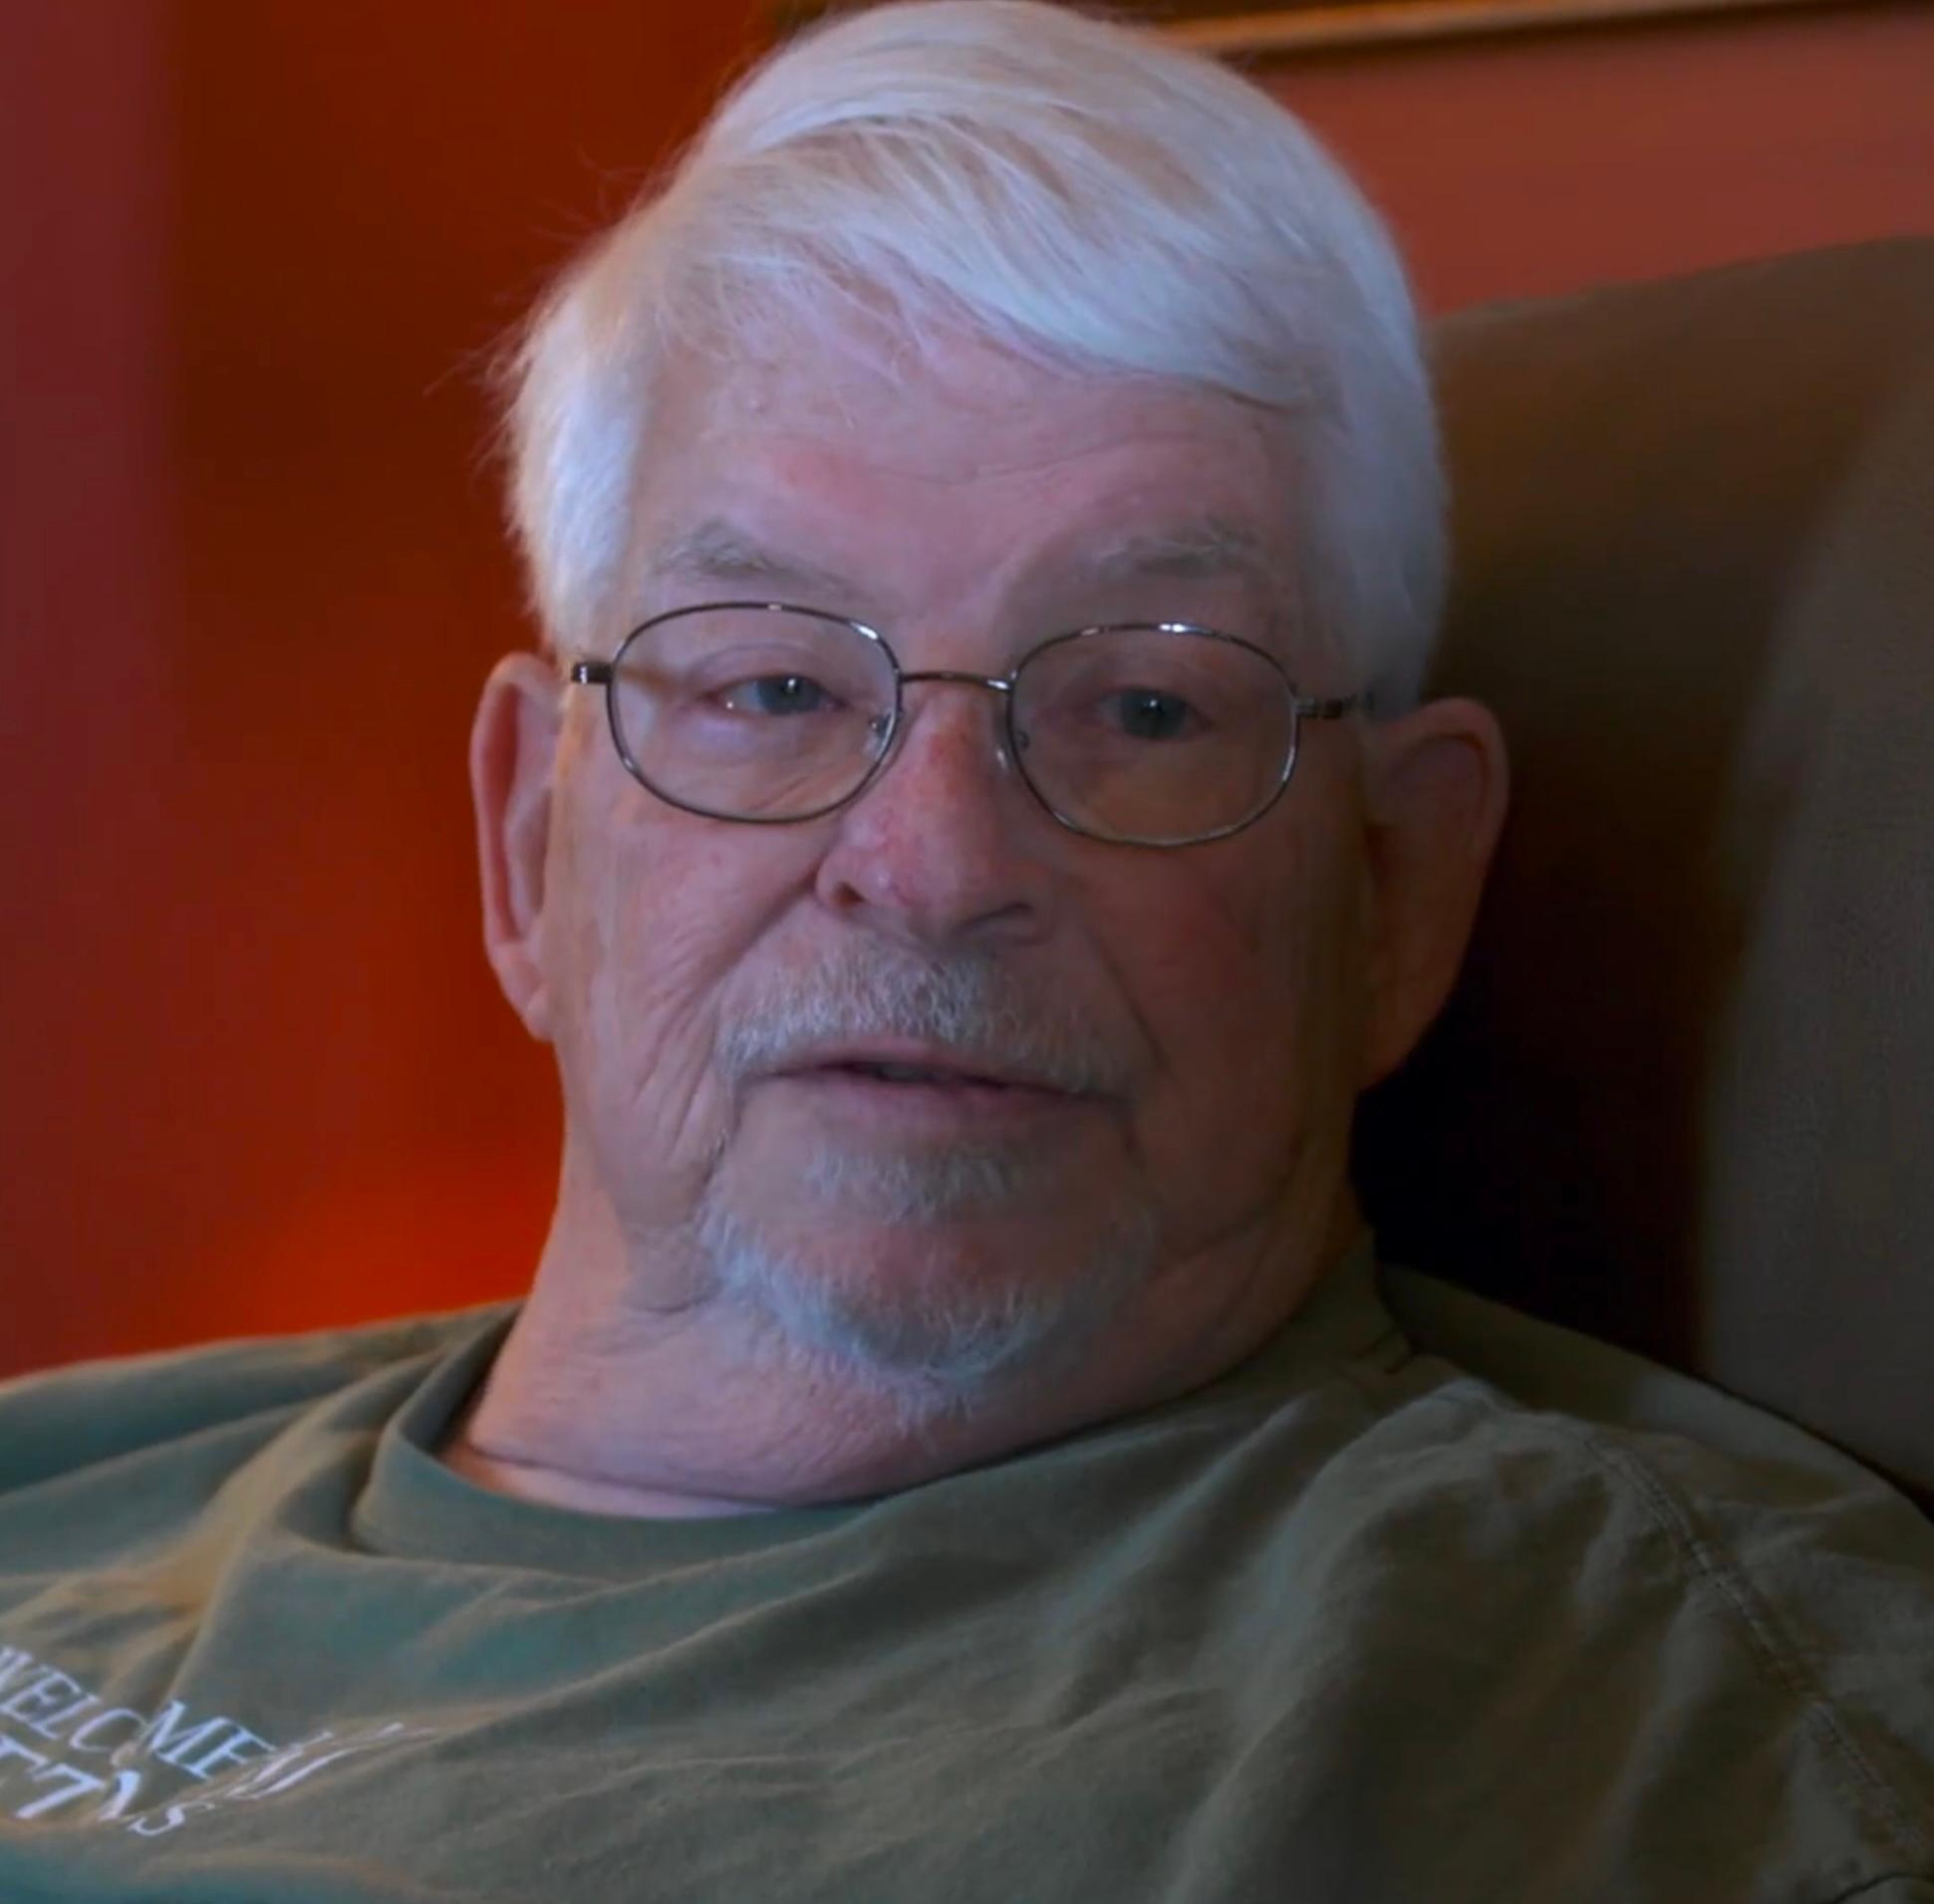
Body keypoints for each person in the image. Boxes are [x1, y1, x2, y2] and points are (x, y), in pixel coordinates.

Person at [2, 1, 1930, 1896]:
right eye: (771, 685)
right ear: (528, 840)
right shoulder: (63, 1473)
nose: (931, 864)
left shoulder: (1630, 1742)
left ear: (1393, 892)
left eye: (1146, 707)